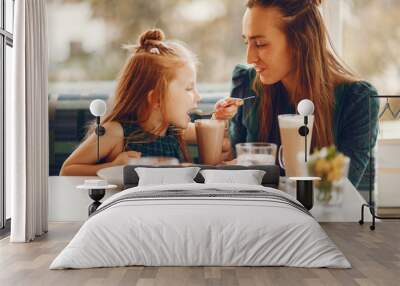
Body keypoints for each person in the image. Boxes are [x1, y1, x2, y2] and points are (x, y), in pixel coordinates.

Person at [214, 0, 379, 188]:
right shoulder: (247, 83)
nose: (250, 58)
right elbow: (237, 171)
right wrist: (221, 131)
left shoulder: (357, 100)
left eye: (260, 44)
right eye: (247, 42)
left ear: (300, 41)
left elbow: (338, 188)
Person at [60, 29, 201, 176]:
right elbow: (67, 170)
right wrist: (114, 167)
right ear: (156, 99)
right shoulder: (115, 132)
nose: (198, 97)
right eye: (189, 88)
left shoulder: (175, 130)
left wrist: (222, 114)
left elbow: (221, 138)